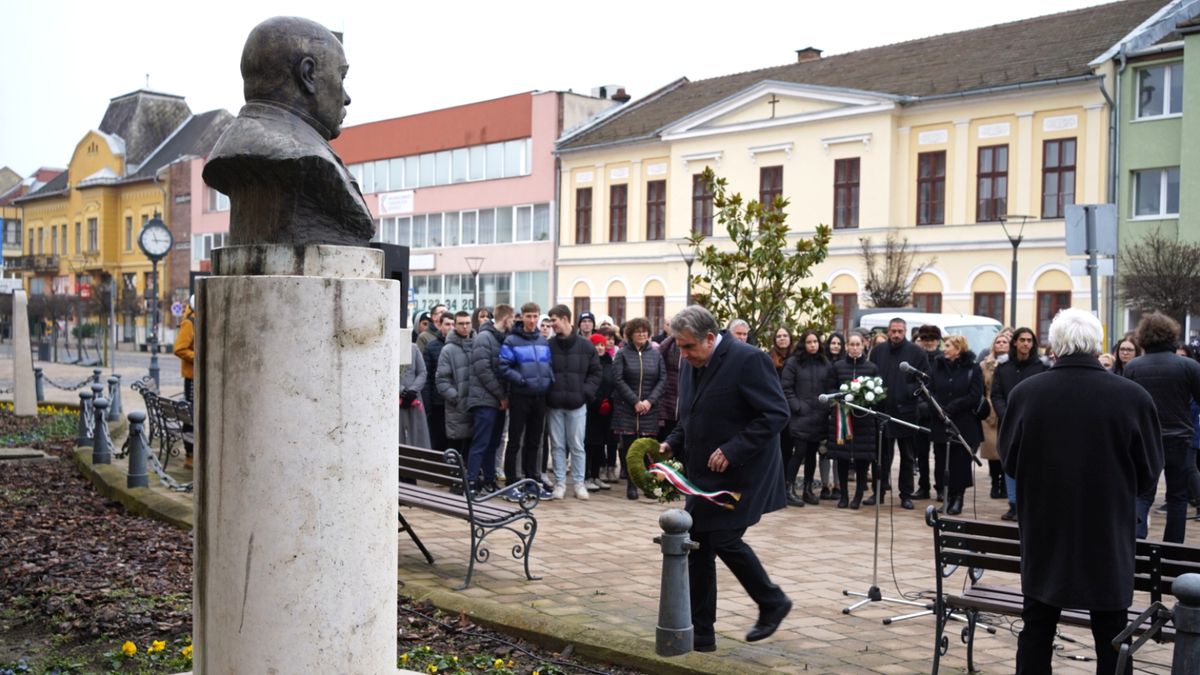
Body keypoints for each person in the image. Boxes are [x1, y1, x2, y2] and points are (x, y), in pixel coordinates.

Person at [999, 308, 1162, 674]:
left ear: (1055, 345)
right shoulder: (1132, 397)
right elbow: (1150, 470)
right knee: (1111, 633)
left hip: (1045, 529)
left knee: (1037, 627)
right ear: (1097, 344)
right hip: (1107, 530)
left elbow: (1010, 461)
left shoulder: (1027, 394)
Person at [661, 306, 792, 652]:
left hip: (744, 473)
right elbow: (690, 416)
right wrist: (671, 444)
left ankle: (772, 601)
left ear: (709, 338)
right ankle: (702, 632)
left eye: (688, 347)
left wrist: (734, 449)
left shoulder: (748, 360)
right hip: (704, 475)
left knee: (723, 538)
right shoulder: (692, 363)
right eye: (679, 347)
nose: (683, 354)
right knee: (698, 547)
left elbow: (776, 413)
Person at [202, 16, 375, 247]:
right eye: (341, 77)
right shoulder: (306, 158)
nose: (347, 98)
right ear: (308, 75)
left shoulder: (234, 144)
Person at [1124, 312, 1200, 543]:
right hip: (1181, 439)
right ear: (1171, 335)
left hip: (1146, 439)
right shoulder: (1188, 366)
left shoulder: (1134, 367)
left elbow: (1128, 405)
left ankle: (1137, 540)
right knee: (1177, 497)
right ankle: (1172, 548)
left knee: (1143, 494)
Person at [868, 318, 929, 509]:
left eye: (900, 331)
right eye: (893, 331)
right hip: (882, 411)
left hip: (906, 412)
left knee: (908, 457)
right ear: (888, 331)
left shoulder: (916, 352)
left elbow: (925, 379)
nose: (896, 335)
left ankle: (906, 495)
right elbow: (871, 375)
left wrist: (907, 392)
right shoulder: (878, 351)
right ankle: (879, 492)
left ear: (905, 331)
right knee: (881, 455)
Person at [499, 303, 555, 499]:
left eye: (535, 316)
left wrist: (549, 382)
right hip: (520, 396)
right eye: (528, 316)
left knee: (535, 440)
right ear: (521, 317)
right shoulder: (512, 340)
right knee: (515, 441)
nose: (532, 320)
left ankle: (532, 481)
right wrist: (521, 380)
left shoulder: (542, 340)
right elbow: (504, 366)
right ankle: (511, 482)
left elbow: (548, 366)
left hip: (540, 397)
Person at [545, 305, 601, 500]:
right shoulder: (549, 345)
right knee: (557, 446)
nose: (552, 324)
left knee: (577, 445)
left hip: (577, 404)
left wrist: (584, 393)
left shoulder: (586, 346)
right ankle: (560, 483)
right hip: (555, 403)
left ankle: (579, 483)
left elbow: (596, 373)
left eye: (554, 320)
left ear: (565, 319)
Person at [991, 327, 1047, 521]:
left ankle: (1027, 504)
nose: (1026, 344)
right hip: (1008, 423)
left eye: (1029, 340)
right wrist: (1007, 415)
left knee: (1031, 465)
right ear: (1014, 342)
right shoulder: (1004, 368)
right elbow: (996, 394)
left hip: (1033, 425)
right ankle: (1013, 504)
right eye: (1022, 340)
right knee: (1009, 463)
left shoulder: (1041, 367)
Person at [928, 335, 983, 515]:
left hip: (963, 424)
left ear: (959, 349)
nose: (944, 349)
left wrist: (952, 407)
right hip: (940, 422)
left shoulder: (973, 368)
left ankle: (958, 498)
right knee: (942, 461)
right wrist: (938, 407)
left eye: (949, 346)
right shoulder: (937, 366)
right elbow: (930, 389)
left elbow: (975, 395)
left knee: (960, 463)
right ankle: (946, 496)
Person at [613, 317, 666, 500]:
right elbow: (618, 380)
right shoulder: (622, 354)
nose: (642, 334)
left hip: (649, 410)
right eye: (638, 331)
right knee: (629, 449)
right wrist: (635, 401)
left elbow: (662, 379)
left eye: (645, 331)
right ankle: (631, 484)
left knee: (646, 449)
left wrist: (649, 401)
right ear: (630, 335)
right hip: (627, 409)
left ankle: (647, 485)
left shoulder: (656, 354)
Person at [466, 304, 514, 492]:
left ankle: (489, 479)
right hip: (484, 400)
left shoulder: (503, 339)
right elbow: (483, 370)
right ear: (505, 319)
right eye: (512, 319)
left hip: (497, 401)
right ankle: (471, 481)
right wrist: (502, 396)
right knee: (481, 442)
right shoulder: (484, 338)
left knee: (493, 443)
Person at [827, 331, 878, 509]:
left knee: (862, 459)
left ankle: (858, 495)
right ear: (847, 346)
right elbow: (830, 387)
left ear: (863, 346)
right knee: (842, 458)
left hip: (863, 421)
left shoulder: (871, 367)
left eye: (858, 344)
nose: (855, 348)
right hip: (843, 418)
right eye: (852, 345)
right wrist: (842, 394)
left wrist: (865, 397)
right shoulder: (838, 367)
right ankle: (844, 495)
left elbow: (877, 390)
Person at [781, 330, 832, 506]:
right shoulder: (794, 363)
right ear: (804, 343)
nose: (813, 345)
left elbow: (830, 386)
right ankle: (788, 488)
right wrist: (797, 406)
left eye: (815, 342)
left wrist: (826, 406)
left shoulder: (824, 363)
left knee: (812, 454)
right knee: (799, 452)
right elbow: (786, 388)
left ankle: (808, 489)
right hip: (800, 416)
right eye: (809, 342)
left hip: (819, 416)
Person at [436, 311, 474, 474]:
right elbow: (441, 380)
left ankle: (469, 479)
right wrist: (456, 397)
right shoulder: (448, 350)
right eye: (461, 323)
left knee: (471, 445)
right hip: (457, 406)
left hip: (474, 404)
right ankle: (455, 480)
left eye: (467, 323)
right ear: (455, 325)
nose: (465, 327)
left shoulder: (477, 344)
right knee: (455, 446)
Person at [978, 331, 1011, 500]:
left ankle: (1005, 484)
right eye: (998, 342)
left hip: (1008, 407)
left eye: (1005, 342)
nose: (1001, 345)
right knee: (992, 450)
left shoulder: (1012, 364)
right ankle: (994, 483)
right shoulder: (985, 364)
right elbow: (982, 387)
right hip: (990, 409)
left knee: (1006, 448)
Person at [912, 325, 942, 501]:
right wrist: (920, 405)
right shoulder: (917, 359)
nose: (929, 343)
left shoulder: (942, 359)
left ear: (937, 341)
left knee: (939, 454)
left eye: (932, 339)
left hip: (938, 411)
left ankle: (940, 487)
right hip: (920, 411)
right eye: (925, 339)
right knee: (921, 452)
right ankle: (923, 486)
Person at [584, 333, 616, 490]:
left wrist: (609, 401)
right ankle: (586, 476)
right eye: (596, 345)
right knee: (589, 444)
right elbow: (587, 385)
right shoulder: (587, 364)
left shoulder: (610, 363)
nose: (600, 347)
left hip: (607, 411)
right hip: (591, 409)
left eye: (602, 344)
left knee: (600, 445)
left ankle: (596, 475)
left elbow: (613, 384)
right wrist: (597, 402)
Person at [423, 311, 453, 452]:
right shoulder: (431, 347)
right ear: (440, 325)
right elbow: (427, 379)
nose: (451, 327)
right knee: (438, 441)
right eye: (447, 324)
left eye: (453, 324)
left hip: (456, 403)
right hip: (438, 403)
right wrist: (428, 406)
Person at [769, 327, 796, 491]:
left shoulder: (796, 358)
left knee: (788, 448)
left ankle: (785, 482)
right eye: (778, 336)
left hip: (791, 409)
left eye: (785, 335)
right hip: (774, 409)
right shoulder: (768, 357)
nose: (782, 338)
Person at [173, 295, 196, 469]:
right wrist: (198, 357)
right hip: (192, 377)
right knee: (191, 416)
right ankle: (190, 455)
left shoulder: (197, 321)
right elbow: (179, 348)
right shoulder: (190, 323)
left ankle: (193, 454)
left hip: (197, 377)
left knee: (193, 415)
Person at [398, 343, 431, 447]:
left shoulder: (414, 348)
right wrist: (401, 391)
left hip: (413, 396)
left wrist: (413, 391)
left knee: (417, 431)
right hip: (397, 397)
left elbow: (422, 372)